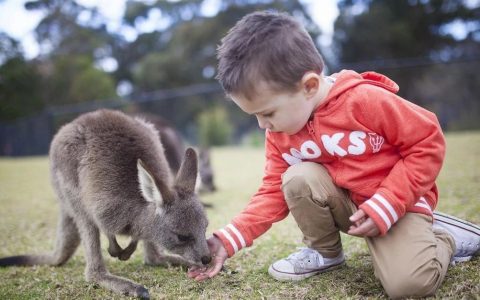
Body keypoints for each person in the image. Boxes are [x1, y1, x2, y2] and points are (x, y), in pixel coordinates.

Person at [187, 11, 480, 298]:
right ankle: (325, 253)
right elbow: (272, 190)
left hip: (396, 205)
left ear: (309, 86)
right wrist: (228, 240)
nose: (262, 124)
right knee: (297, 177)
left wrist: (389, 203)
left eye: (268, 113)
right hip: (347, 206)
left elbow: (427, 140)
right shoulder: (280, 132)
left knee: (409, 286)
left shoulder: (365, 100)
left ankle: (444, 237)